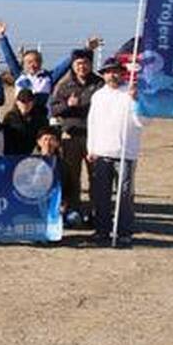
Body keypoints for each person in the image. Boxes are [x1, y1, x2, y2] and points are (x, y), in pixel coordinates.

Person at [86, 58, 146, 247]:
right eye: (108, 72)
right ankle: (102, 230)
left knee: (124, 195)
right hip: (102, 152)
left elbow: (143, 122)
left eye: (116, 71)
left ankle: (124, 231)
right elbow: (92, 123)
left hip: (125, 153)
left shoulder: (131, 93)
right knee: (101, 195)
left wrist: (136, 102)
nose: (112, 75)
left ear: (123, 73)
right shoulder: (98, 96)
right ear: (103, 75)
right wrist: (91, 148)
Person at [0, 20, 101, 114]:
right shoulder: (19, 76)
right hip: (20, 115)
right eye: (29, 62)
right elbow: (9, 57)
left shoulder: (48, 78)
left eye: (36, 61)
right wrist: (2, 37)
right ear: (24, 64)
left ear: (41, 62)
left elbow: (67, 63)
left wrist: (87, 49)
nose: (32, 65)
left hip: (41, 118)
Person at [50, 48, 103, 226]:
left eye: (86, 63)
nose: (82, 67)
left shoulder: (99, 84)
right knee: (72, 176)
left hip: (94, 136)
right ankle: (74, 210)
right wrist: (67, 105)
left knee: (96, 176)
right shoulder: (64, 85)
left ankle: (97, 212)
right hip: (71, 136)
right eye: (78, 63)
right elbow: (53, 109)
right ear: (73, 65)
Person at [3, 89, 49, 155]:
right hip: (12, 154)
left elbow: (43, 134)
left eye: (29, 101)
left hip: (32, 153)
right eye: (23, 101)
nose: (26, 104)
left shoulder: (39, 118)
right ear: (17, 102)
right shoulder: (10, 117)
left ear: (33, 102)